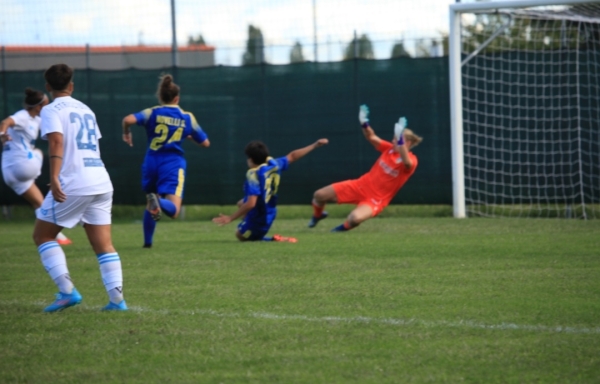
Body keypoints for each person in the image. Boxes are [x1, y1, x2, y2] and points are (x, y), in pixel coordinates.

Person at [33, 63, 126, 312]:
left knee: (42, 236)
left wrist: (55, 176)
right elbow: (92, 145)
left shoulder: (51, 109)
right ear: (71, 86)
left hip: (75, 182)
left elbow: (56, 141)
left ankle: (67, 293)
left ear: (48, 87)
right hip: (100, 181)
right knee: (104, 245)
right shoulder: (86, 109)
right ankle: (117, 302)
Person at [122, 74, 210, 248]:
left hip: (151, 161)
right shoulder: (187, 117)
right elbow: (206, 143)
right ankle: (158, 201)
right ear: (176, 98)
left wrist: (126, 132)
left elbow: (127, 120)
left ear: (161, 97)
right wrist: (190, 136)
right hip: (172, 163)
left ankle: (147, 242)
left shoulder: (152, 112)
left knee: (151, 202)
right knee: (174, 210)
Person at [308, 105, 422, 232]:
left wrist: (400, 138)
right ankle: (318, 215)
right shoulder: (389, 149)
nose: (394, 141)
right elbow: (371, 137)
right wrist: (364, 122)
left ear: (408, 143)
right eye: (395, 138)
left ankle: (338, 230)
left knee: (354, 218)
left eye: (398, 139)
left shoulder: (412, 160)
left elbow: (406, 162)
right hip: (360, 185)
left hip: (375, 199)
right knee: (319, 195)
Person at [212, 138, 328, 242]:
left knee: (240, 236)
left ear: (251, 159)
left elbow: (251, 203)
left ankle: (275, 239)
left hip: (261, 215)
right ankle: (250, 224)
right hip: (270, 208)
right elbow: (292, 156)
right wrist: (314, 145)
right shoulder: (274, 164)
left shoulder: (254, 175)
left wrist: (231, 218)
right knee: (241, 203)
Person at [0, 88, 72, 245]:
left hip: (9, 172)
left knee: (40, 203)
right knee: (39, 152)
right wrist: (2, 134)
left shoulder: (36, 119)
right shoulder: (23, 116)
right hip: (21, 165)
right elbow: (5, 122)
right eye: (45, 104)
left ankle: (58, 238)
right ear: (38, 106)